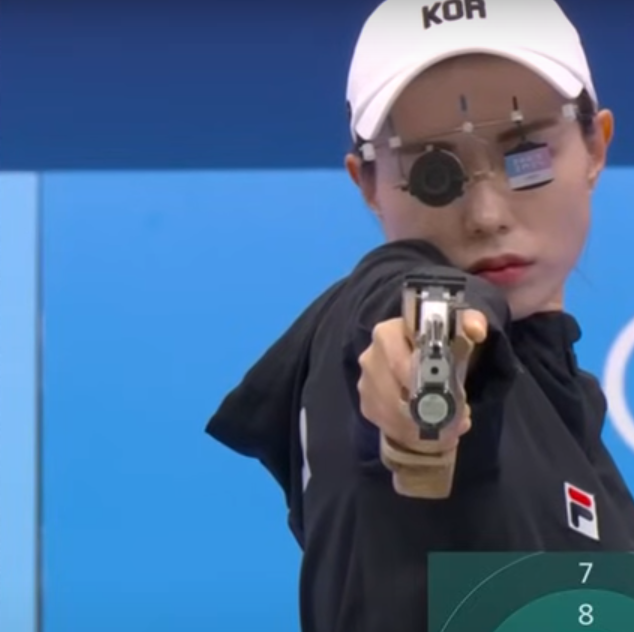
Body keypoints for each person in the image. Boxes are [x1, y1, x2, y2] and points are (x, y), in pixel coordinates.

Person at [206, 1, 634, 630]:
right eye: (435, 172)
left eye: (527, 154)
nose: (486, 214)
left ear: (596, 145)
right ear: (367, 183)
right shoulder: (362, 333)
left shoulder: (569, 410)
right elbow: (405, 298)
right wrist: (426, 355)